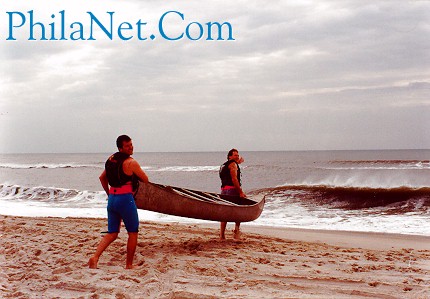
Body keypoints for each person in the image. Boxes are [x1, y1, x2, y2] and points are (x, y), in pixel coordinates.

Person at [89, 135, 149, 269]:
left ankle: (95, 257)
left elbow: (102, 178)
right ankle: (129, 265)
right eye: (127, 146)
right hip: (125, 200)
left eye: (131, 144)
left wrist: (108, 193)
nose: (131, 147)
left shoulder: (111, 160)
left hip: (112, 200)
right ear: (120, 148)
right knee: (132, 232)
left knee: (112, 233)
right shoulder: (130, 162)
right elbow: (145, 179)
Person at [219, 148, 246, 240]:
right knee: (238, 211)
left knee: (224, 213)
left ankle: (222, 235)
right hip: (232, 190)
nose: (237, 156)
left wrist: (238, 162)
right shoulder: (233, 165)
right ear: (230, 156)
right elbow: (234, 179)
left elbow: (230, 167)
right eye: (235, 155)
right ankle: (236, 232)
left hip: (224, 191)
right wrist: (240, 192)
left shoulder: (223, 165)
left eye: (238, 155)